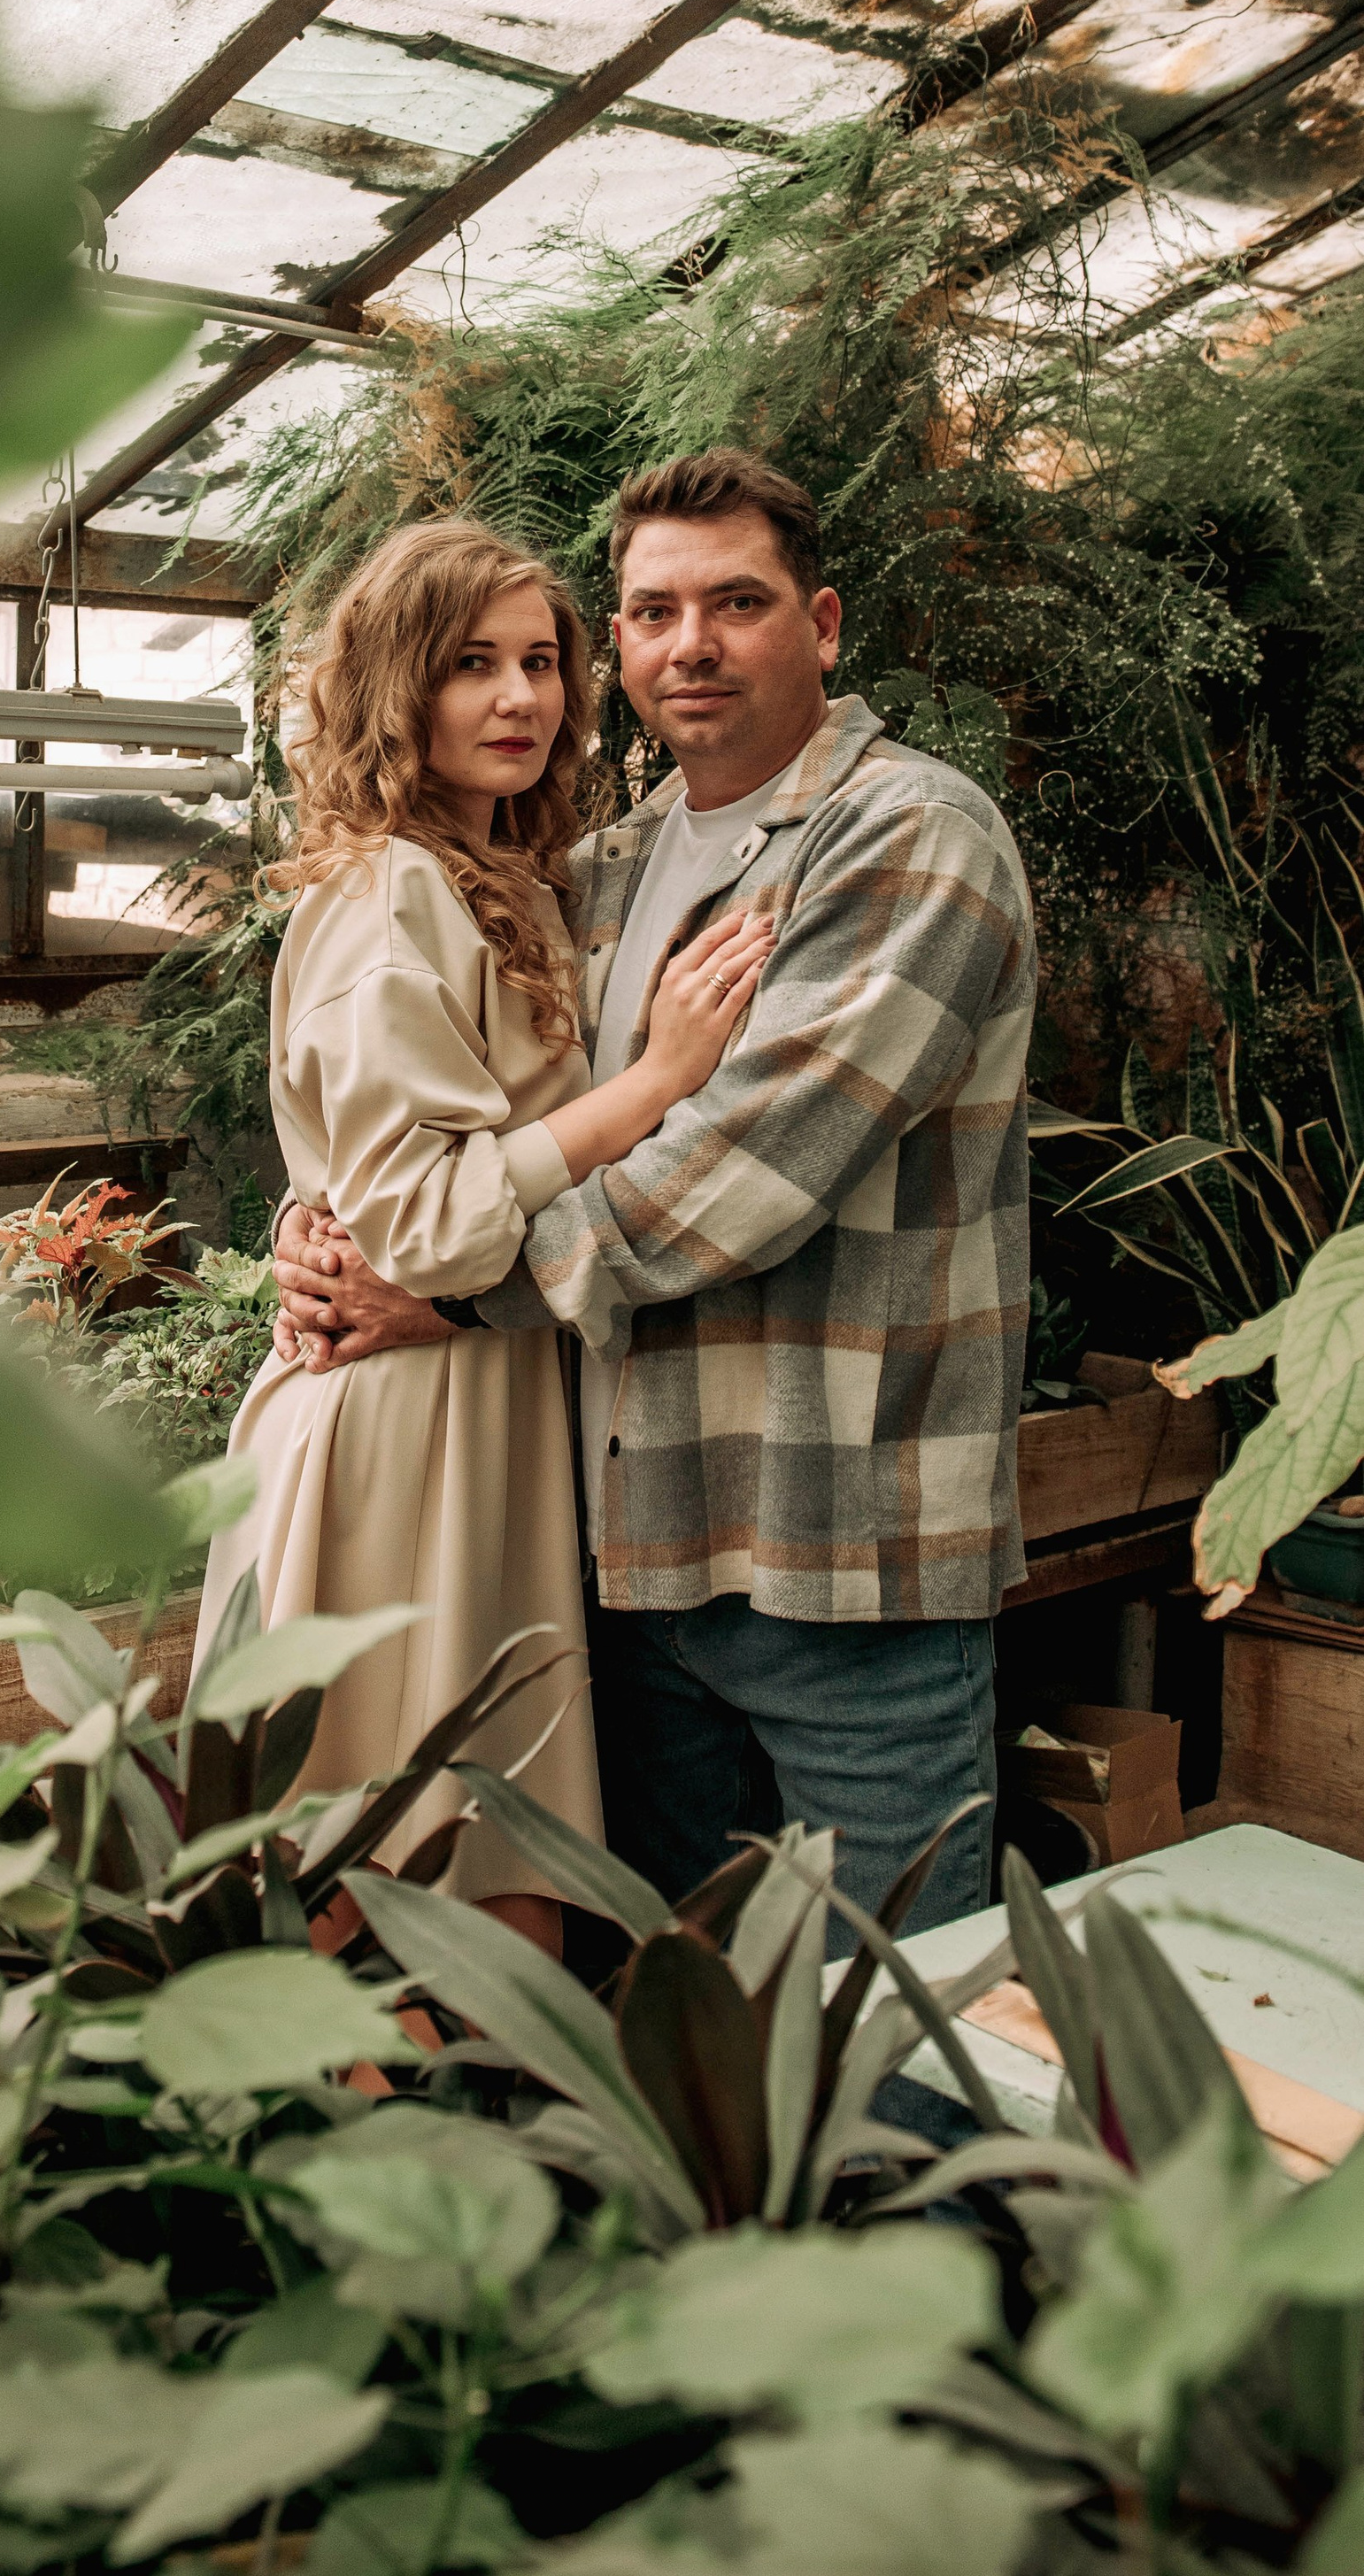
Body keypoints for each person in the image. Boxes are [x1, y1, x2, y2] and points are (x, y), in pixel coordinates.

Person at [273, 451, 1037, 1944]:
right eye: (651, 612)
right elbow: (449, 1110)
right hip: (633, 1546)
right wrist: (328, 1221)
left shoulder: (906, 839)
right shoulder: (597, 872)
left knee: (904, 2025)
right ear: (620, 651)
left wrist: (437, 1285)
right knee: (702, 2018)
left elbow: (733, 1181)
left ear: (819, 625)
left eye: (737, 603)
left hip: (840, 1546)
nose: (691, 642)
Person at [197, 518, 772, 1955]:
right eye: (471, 666)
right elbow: (440, 1222)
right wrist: (657, 1080)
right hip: (407, 1428)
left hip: (484, 1403)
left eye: (540, 663)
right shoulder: (394, 884)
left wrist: (319, 1202)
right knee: (397, 1851)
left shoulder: (500, 874)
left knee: (470, 1839)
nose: (521, 699)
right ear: (398, 687)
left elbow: (387, 1159)